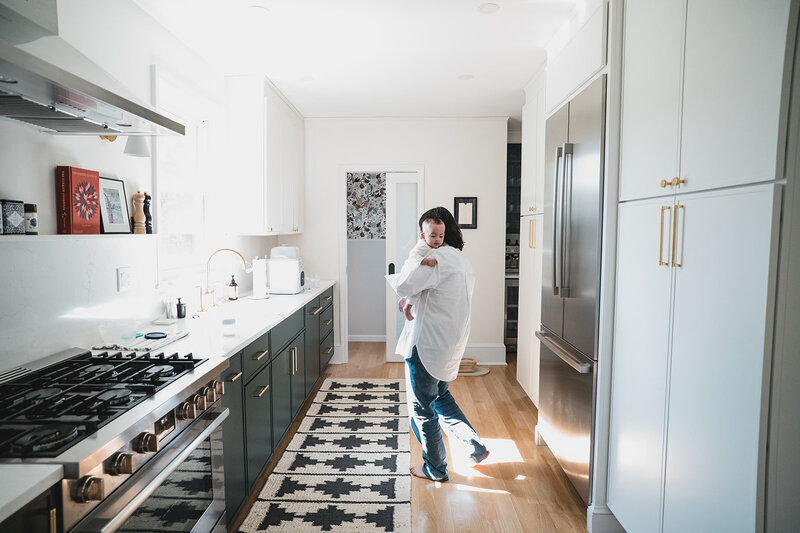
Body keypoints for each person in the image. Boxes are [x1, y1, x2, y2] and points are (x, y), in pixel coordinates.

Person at [386, 206, 489, 482]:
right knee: (441, 397)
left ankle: (436, 468)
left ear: (442, 233)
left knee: (423, 409)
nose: (433, 238)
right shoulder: (460, 260)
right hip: (450, 345)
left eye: (436, 234)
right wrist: (411, 301)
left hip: (427, 345)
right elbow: (433, 293)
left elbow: (405, 284)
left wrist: (419, 253)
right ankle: (473, 446)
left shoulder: (434, 257)